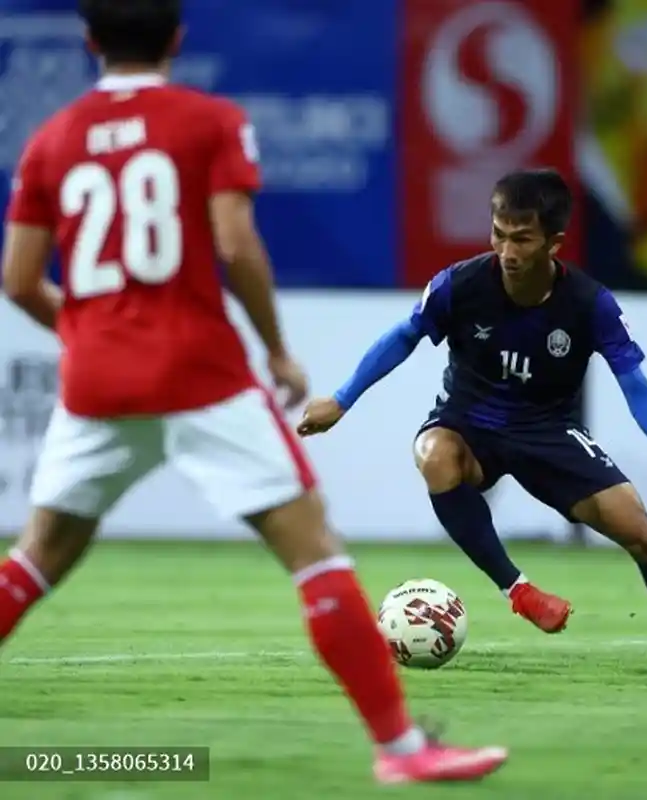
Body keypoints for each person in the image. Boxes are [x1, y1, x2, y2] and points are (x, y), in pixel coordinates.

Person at [0, 0, 507, 783]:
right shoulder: (209, 120)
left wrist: (90, 332)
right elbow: (236, 243)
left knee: (34, 561)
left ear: (88, 41)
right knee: (313, 555)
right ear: (176, 37)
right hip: (200, 371)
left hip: (98, 378)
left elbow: (19, 280)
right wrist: (276, 349)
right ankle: (403, 751)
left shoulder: (50, 141)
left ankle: (405, 750)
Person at [297, 168, 647, 667]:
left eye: (523, 239)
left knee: (644, 535)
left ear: (554, 242)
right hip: (468, 424)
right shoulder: (459, 285)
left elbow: (636, 388)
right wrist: (342, 399)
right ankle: (518, 590)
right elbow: (404, 336)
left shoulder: (590, 304)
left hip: (549, 433)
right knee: (433, 455)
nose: (507, 252)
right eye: (499, 234)